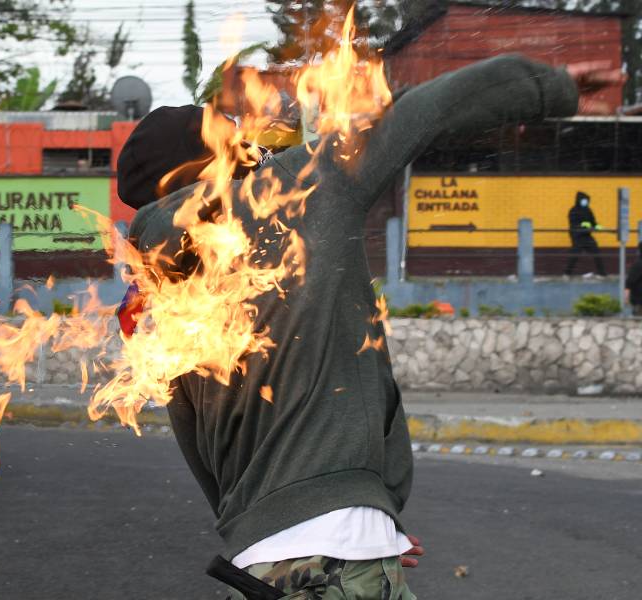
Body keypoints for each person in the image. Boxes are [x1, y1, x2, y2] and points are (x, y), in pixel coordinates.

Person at [117, 55, 621, 599]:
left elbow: (204, 454)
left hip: (264, 564)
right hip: (336, 563)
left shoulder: (158, 297)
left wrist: (355, 516)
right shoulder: (295, 192)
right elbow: (421, 113)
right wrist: (552, 86)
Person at [565, 191, 607, 277]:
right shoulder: (573, 210)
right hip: (577, 236)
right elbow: (573, 223)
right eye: (583, 200)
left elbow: (593, 221)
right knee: (574, 256)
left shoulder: (588, 210)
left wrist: (596, 226)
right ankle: (567, 274)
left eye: (586, 200)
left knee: (597, 252)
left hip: (587, 236)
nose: (585, 202)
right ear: (579, 200)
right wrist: (582, 224)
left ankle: (602, 273)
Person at [625, 242, 642, 316]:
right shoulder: (638, 265)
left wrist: (626, 298)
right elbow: (629, 283)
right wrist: (626, 298)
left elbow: (629, 282)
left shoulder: (637, 264)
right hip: (639, 302)